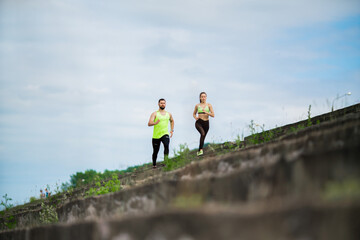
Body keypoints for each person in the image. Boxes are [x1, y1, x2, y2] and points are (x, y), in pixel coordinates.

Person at [148, 98, 174, 168]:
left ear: (165, 104)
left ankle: (166, 162)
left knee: (166, 145)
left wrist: (172, 130)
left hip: (165, 134)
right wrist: (155, 123)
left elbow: (172, 121)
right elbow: (149, 123)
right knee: (155, 151)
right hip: (156, 136)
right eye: (161, 103)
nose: (163, 104)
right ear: (158, 104)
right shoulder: (155, 114)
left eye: (164, 103)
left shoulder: (168, 114)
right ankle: (154, 164)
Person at [193, 92, 215, 156]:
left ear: (206, 97)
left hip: (206, 123)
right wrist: (195, 117)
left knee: (203, 136)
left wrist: (207, 112)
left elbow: (213, 115)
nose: (203, 98)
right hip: (199, 122)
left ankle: (199, 151)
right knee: (202, 134)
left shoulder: (209, 105)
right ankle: (201, 150)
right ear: (200, 97)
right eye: (202, 96)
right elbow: (194, 113)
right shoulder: (197, 105)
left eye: (204, 96)